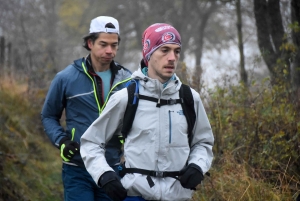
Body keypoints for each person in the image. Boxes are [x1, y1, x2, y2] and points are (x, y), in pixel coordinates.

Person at [80, 23, 214, 201]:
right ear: (148, 54)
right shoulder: (126, 97)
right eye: (164, 50)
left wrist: (197, 165)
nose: (172, 58)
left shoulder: (190, 98)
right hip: (136, 195)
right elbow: (91, 142)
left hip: (178, 195)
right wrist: (104, 175)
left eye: (176, 51)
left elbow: (203, 143)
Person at [41, 16, 131, 201]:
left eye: (114, 45)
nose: (109, 51)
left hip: (111, 169)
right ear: (90, 43)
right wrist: (62, 141)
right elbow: (49, 115)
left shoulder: (127, 80)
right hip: (77, 169)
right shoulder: (66, 78)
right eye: (103, 44)